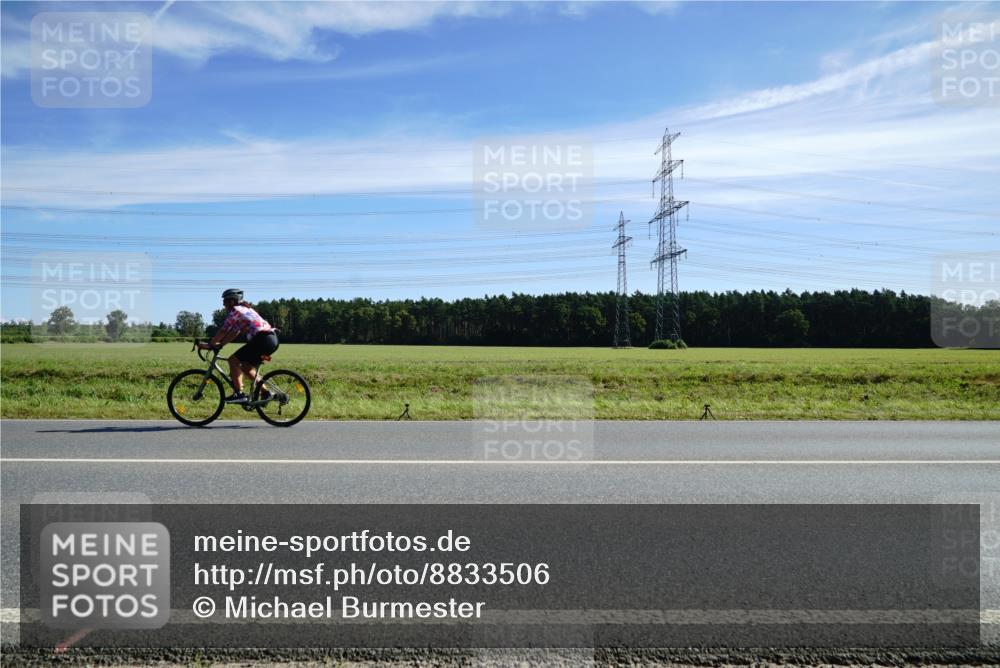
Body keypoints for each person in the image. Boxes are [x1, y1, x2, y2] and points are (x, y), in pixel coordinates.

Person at [198, 289, 279, 403]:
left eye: (225, 301)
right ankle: (266, 393)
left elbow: (224, 330)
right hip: (270, 340)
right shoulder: (244, 309)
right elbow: (234, 332)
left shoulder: (236, 310)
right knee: (246, 367)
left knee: (233, 360)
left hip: (262, 340)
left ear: (232, 301)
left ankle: (239, 394)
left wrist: (210, 344)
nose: (223, 304)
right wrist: (220, 345)